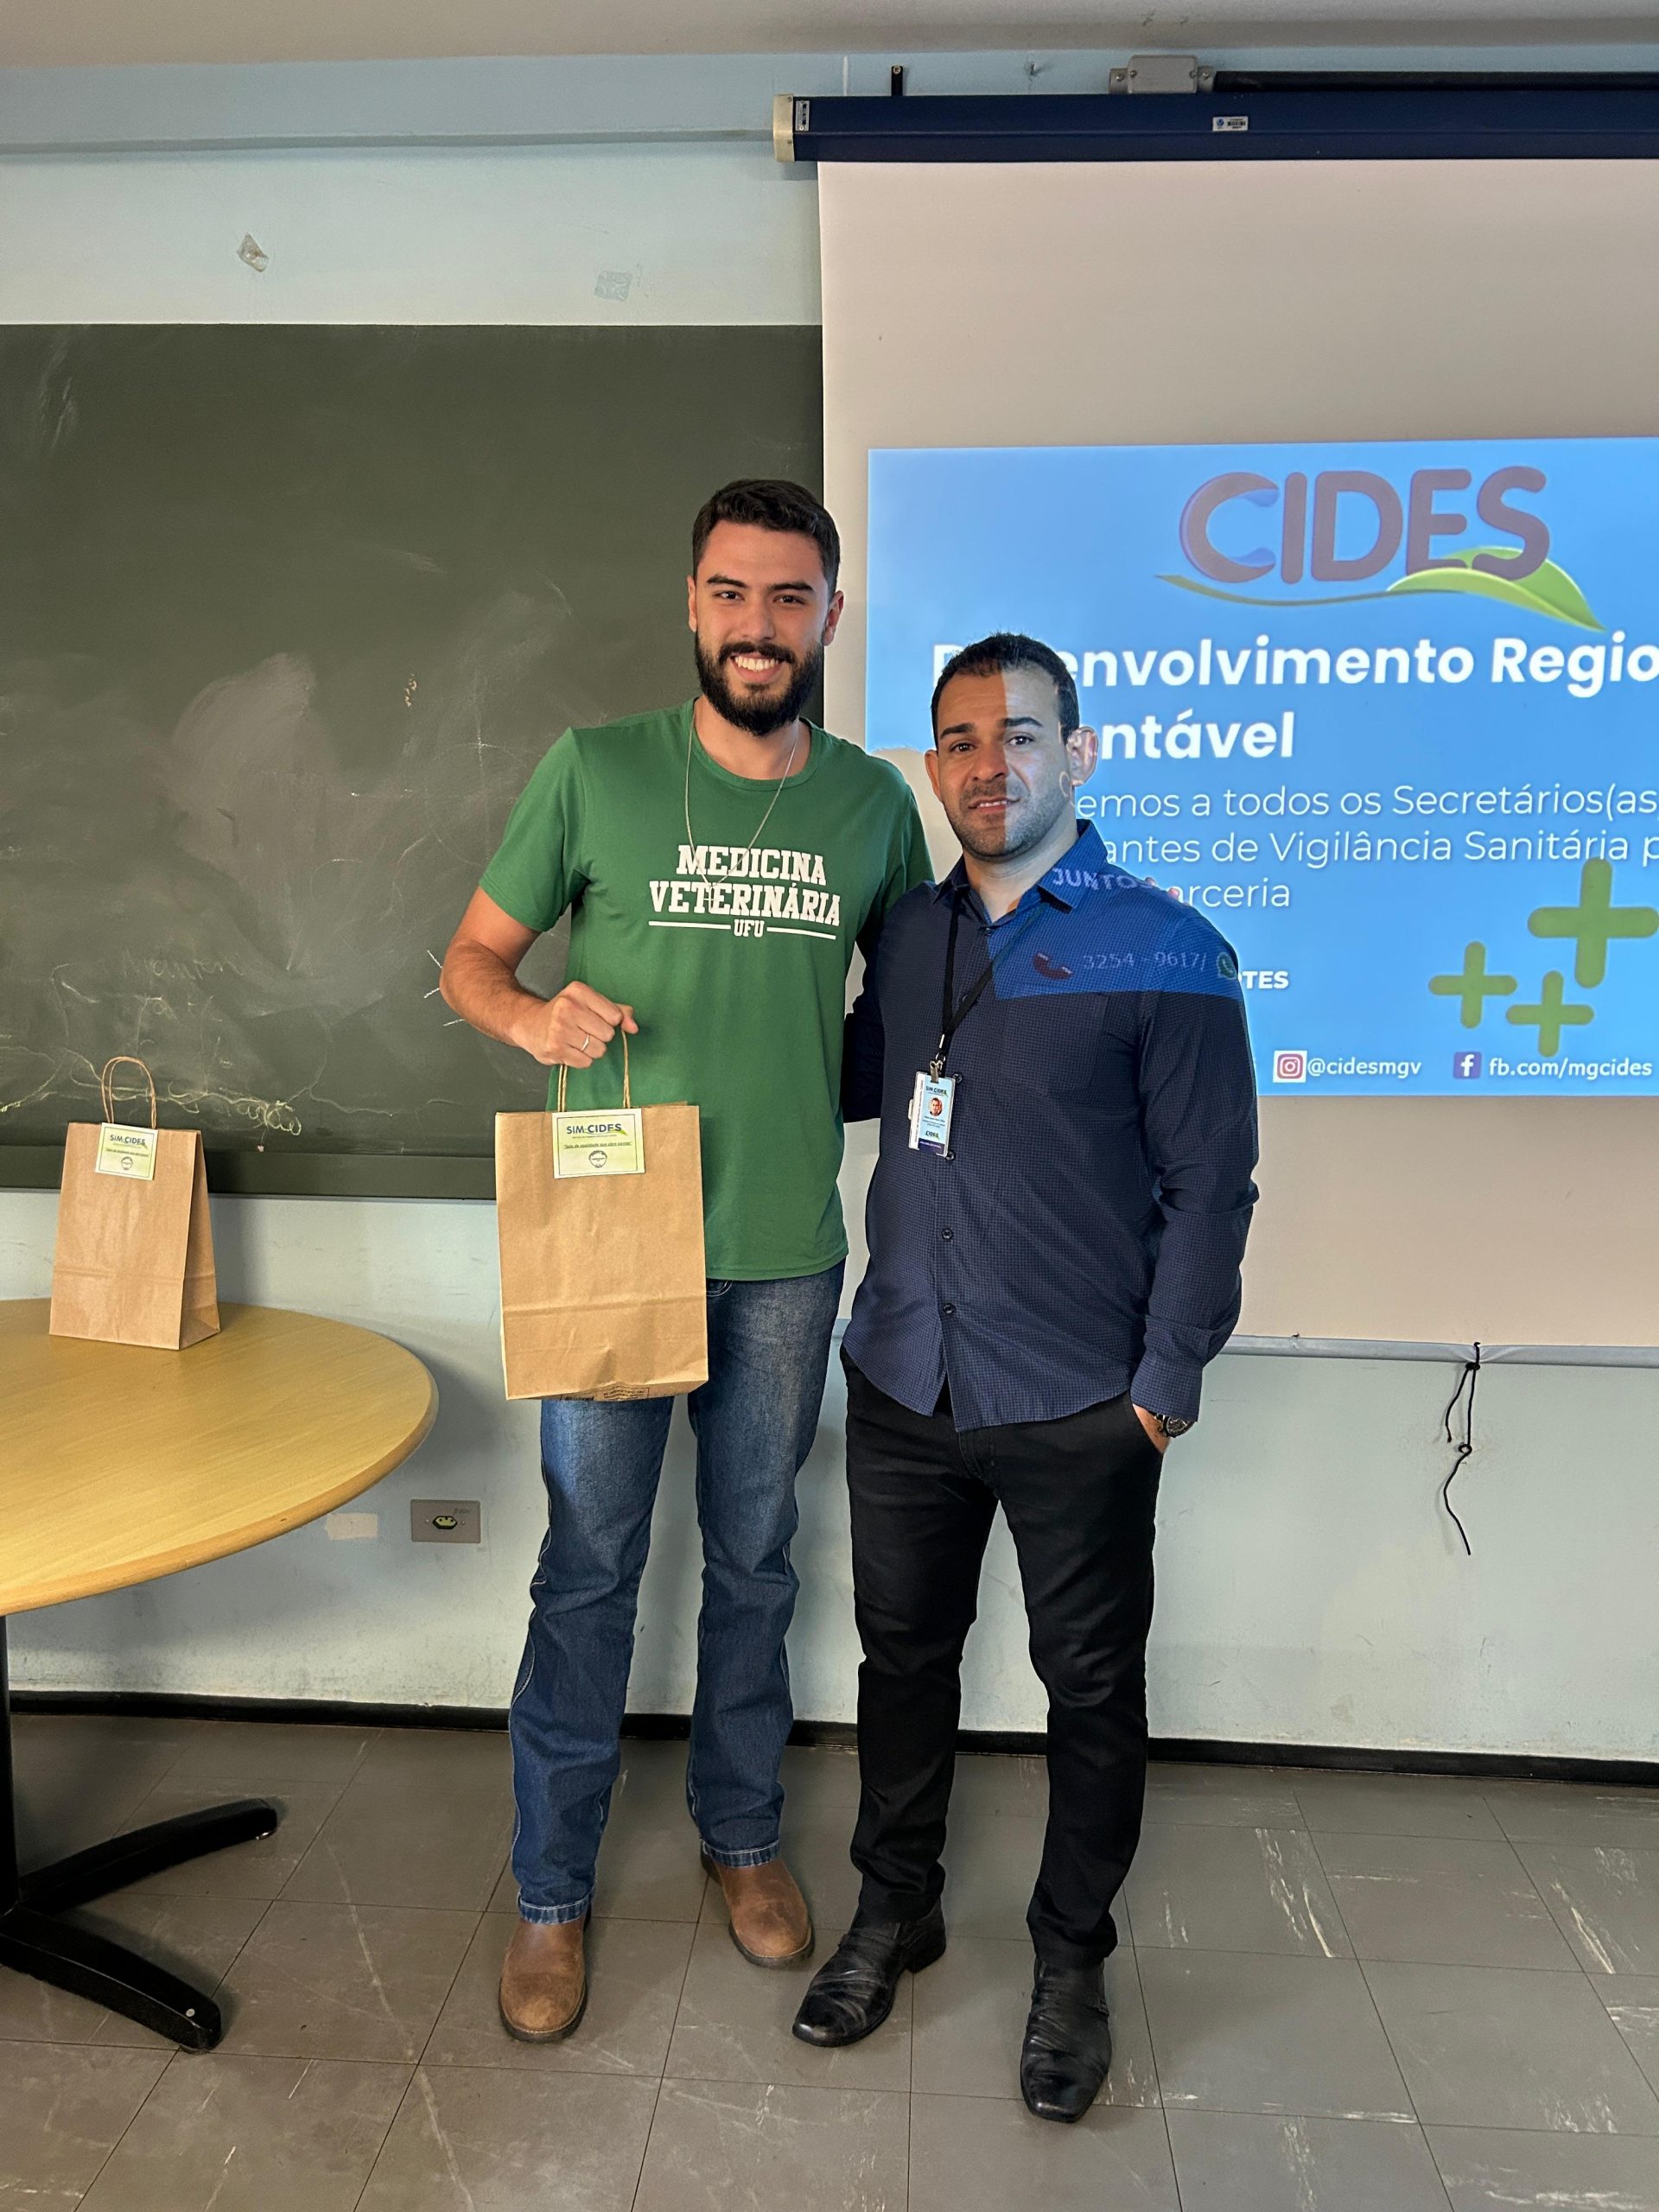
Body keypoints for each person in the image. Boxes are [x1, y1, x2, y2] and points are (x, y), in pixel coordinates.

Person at [441, 480, 930, 2041]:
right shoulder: (594, 771)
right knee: (588, 1566)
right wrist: (533, 1018)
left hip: (784, 1249)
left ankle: (742, 1835)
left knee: (756, 1560)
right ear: (693, 605)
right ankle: (550, 1893)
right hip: (611, 1233)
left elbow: (913, 1018)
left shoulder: (874, 807)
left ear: (831, 617)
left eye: (790, 598)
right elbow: (470, 961)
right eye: (731, 593)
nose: (758, 626)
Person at [791, 632, 1258, 2120]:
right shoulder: (906, 937)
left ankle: (1070, 1959)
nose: (990, 766)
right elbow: (851, 1083)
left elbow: (1213, 1184)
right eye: (961, 740)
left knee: (1091, 1692)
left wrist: (1163, 1386)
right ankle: (896, 1911)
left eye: (1022, 736)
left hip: (1078, 1399)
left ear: (1080, 753)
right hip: (905, 1377)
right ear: (934, 765)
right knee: (900, 1664)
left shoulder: (1168, 944)